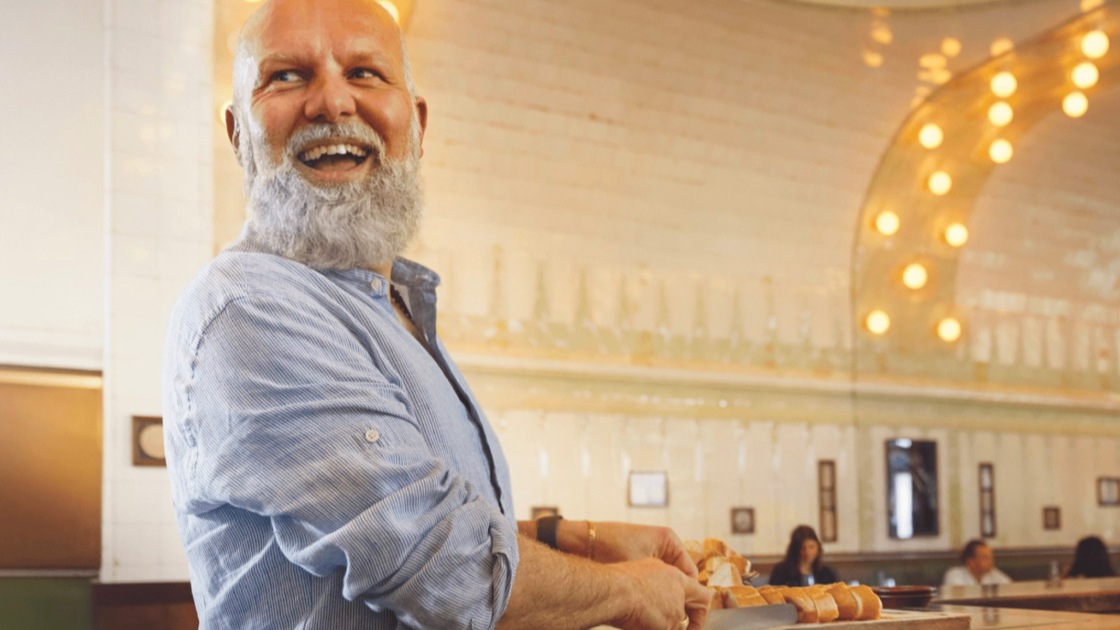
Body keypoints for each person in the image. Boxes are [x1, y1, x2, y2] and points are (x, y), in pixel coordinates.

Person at [161, 1, 710, 628]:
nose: (332, 103)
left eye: (365, 73)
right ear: (238, 134)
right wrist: (625, 591)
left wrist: (573, 540)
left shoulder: (392, 304)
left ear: (417, 127)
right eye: (286, 76)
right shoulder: (252, 308)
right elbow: (443, 570)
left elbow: (400, 515)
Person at [768, 525, 840, 587]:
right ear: (794, 549)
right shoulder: (780, 572)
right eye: (803, 548)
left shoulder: (827, 573)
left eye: (811, 547)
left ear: (818, 547)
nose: (807, 553)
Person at [942, 539, 1012, 587]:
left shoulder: (994, 574)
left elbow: (1010, 587)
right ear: (971, 561)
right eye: (985, 558)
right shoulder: (954, 575)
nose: (991, 561)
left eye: (991, 557)